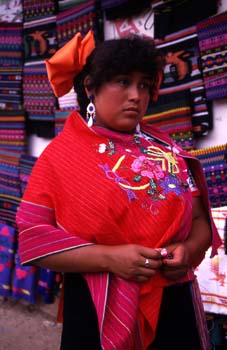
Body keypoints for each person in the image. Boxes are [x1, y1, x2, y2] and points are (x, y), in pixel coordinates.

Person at [16, 30, 221, 350]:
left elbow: (199, 222)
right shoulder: (61, 157)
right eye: (123, 82)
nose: (136, 96)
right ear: (91, 88)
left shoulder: (167, 150)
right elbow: (33, 240)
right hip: (98, 306)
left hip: (174, 301)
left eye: (143, 84)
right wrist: (109, 258)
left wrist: (189, 252)